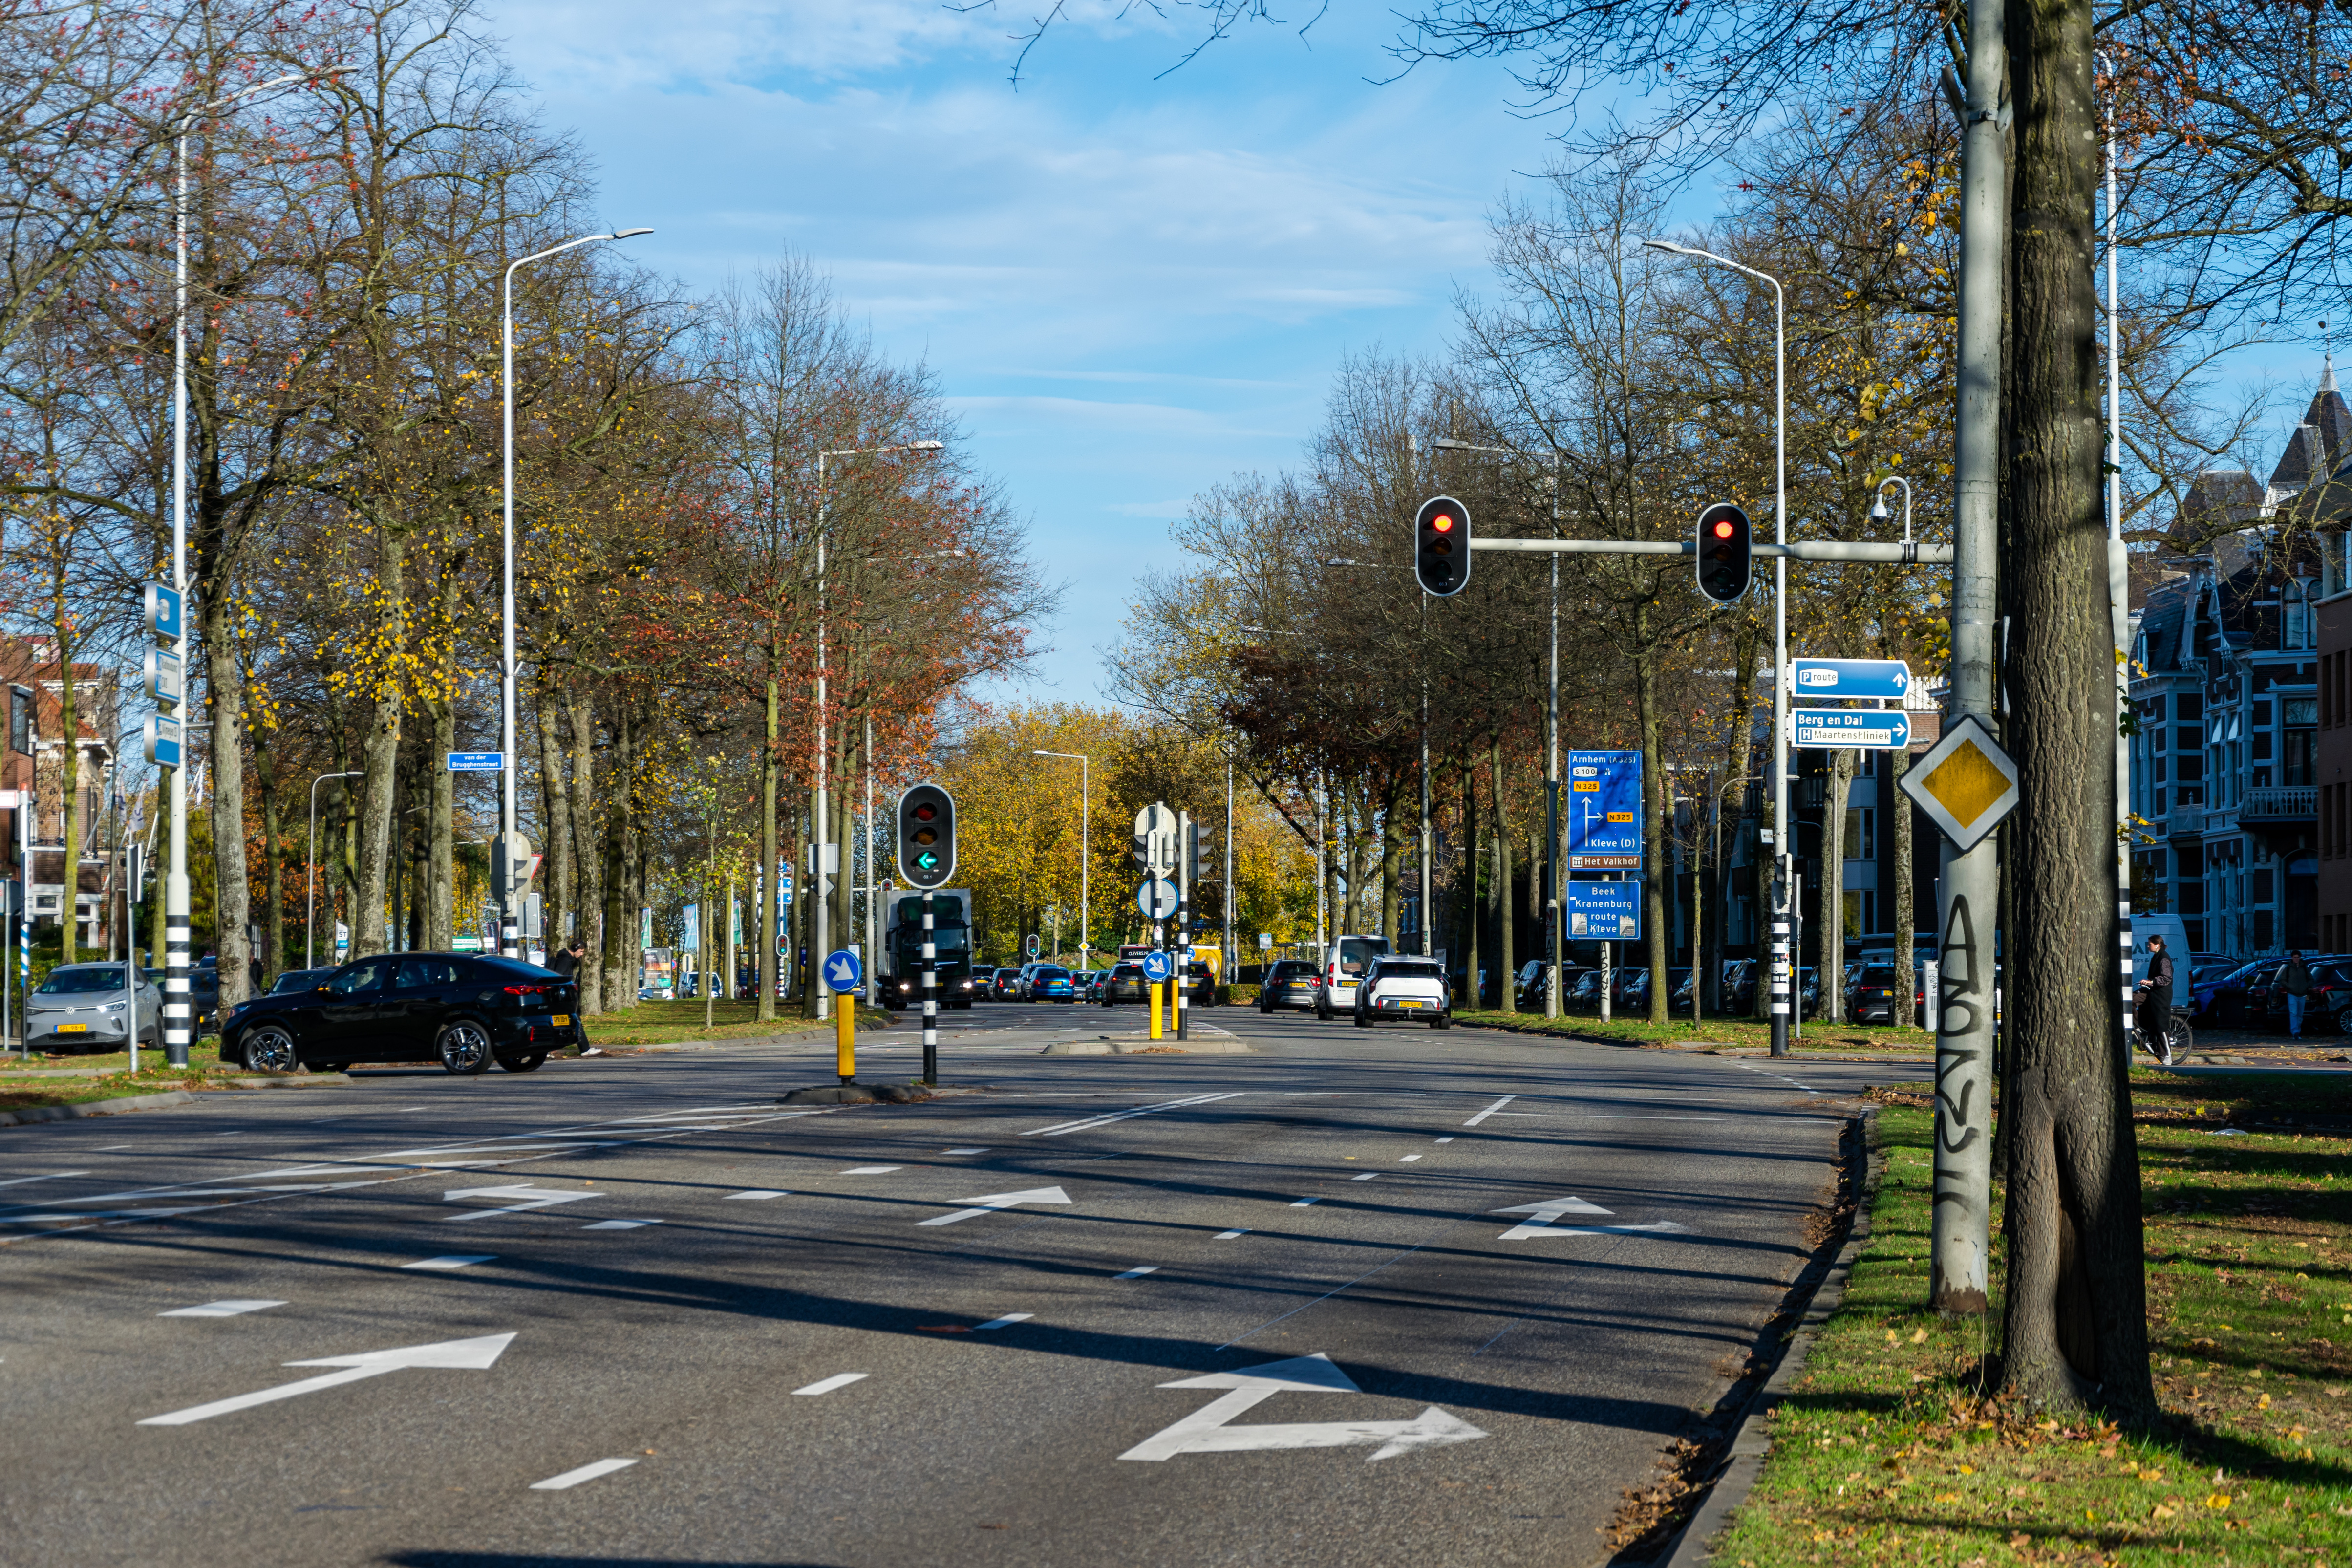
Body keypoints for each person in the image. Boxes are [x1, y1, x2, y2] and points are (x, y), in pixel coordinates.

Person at [549, 939, 599, 1057]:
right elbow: (559, 977)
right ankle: (585, 1049)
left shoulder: (566, 959)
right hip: (562, 998)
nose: (582, 954)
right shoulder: (565, 960)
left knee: (560, 1023)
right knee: (575, 1021)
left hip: (561, 997)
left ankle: (545, 1051)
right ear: (575, 949)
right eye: (581, 951)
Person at [2138, 934, 2176, 1063]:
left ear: (2157, 945)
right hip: (2152, 992)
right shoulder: (2156, 956)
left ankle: (2167, 1055)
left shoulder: (2164, 958)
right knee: (2133, 999)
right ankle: (2140, 1029)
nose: (2148, 946)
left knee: (2161, 1025)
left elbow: (2167, 978)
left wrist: (2151, 981)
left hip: (2161, 995)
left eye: (2150, 944)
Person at [2282, 949, 2314, 1038]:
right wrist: (2289, 986)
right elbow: (2283, 980)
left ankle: (2297, 1032)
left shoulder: (2304, 968)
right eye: (2295, 957)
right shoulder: (2288, 969)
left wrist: (2306, 986)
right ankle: (2295, 1031)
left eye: (2298, 957)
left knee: (2300, 1015)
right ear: (2292, 958)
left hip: (2302, 994)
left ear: (2300, 958)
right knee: (2294, 1013)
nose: (2296, 959)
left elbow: (2311, 979)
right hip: (2292, 994)